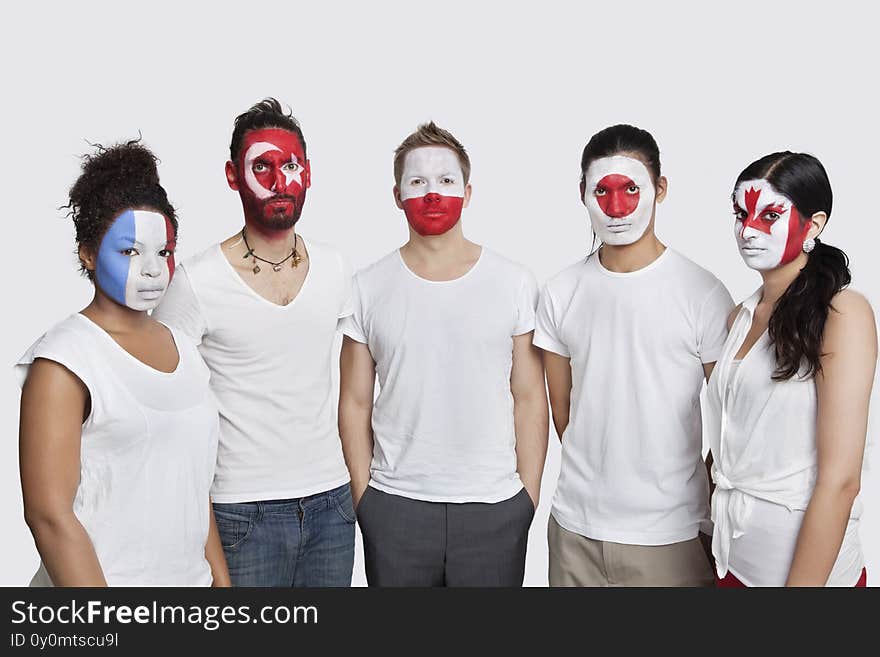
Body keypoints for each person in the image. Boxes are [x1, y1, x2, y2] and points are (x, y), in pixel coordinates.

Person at [153, 99, 356, 587]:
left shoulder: (336, 268)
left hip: (331, 503)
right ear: (232, 175)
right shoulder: (197, 281)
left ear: (307, 173)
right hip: (241, 511)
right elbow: (163, 405)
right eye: (260, 166)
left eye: (289, 165)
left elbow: (355, 393)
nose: (279, 180)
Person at [338, 121, 548, 586]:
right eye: (418, 182)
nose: (432, 193)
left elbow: (530, 395)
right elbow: (353, 400)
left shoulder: (513, 281)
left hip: (494, 508)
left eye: (446, 181)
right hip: (395, 507)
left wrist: (526, 499)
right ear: (397, 194)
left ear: (468, 192)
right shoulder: (368, 286)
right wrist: (366, 500)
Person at [16, 140, 227, 586]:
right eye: (130, 252)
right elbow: (49, 517)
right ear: (88, 254)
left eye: (163, 252)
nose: (152, 270)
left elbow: (193, 486)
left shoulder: (185, 349)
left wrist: (220, 584)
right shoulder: (65, 359)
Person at [535, 124, 734, 587]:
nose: (617, 207)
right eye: (601, 191)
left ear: (660, 190)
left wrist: (696, 505)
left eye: (631, 188)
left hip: (671, 535)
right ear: (582, 193)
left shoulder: (701, 293)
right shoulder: (561, 292)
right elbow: (563, 413)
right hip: (574, 531)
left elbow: (732, 418)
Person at [707, 151, 876, 587]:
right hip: (730, 562)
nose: (748, 229)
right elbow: (729, 441)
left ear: (814, 225)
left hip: (807, 581)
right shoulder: (739, 316)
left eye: (770, 215)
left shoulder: (843, 313)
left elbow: (841, 481)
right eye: (741, 213)